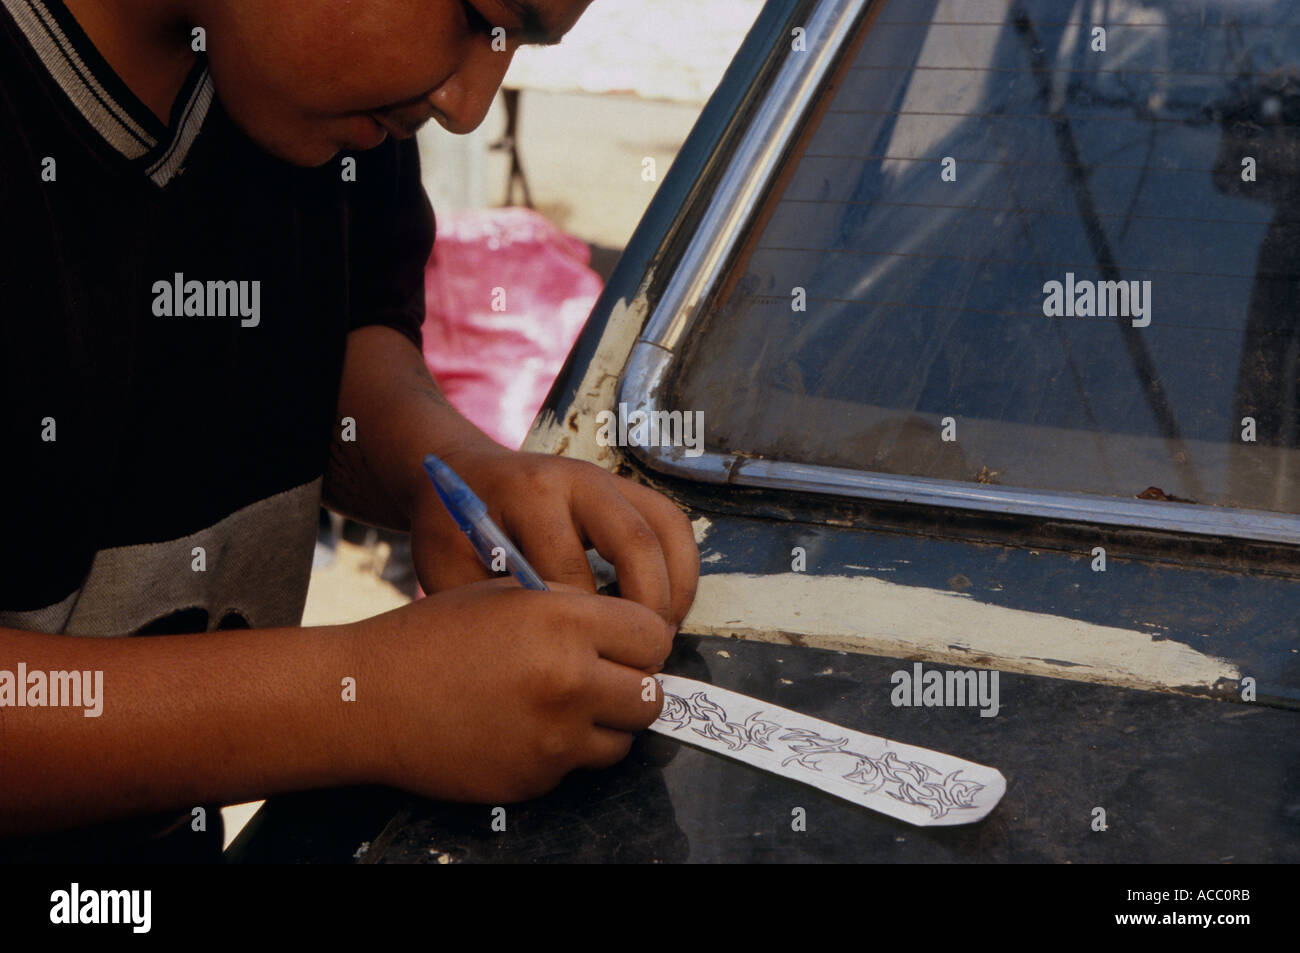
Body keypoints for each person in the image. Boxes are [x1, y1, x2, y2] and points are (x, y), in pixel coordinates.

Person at [0, 0, 699, 862]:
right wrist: (364, 698)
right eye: (478, 15)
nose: (468, 103)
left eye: (519, 44)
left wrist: (442, 466)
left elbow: (343, 334)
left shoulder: (322, 97)